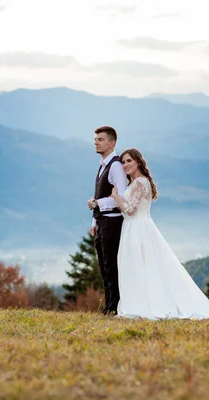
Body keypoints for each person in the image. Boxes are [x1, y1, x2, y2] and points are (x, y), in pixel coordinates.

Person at [110, 148, 209, 320]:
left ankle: (145, 306)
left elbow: (129, 210)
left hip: (139, 229)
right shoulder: (136, 183)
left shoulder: (139, 183)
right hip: (133, 228)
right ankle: (140, 304)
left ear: (138, 161)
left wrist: (116, 197)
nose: (125, 165)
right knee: (138, 266)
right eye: (123, 162)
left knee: (142, 266)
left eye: (129, 161)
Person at [87, 126, 128, 315]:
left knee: (111, 265)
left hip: (113, 223)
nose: (96, 142)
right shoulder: (103, 164)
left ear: (112, 143)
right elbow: (100, 193)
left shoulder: (116, 166)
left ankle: (115, 306)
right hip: (102, 222)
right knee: (104, 266)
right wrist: (95, 222)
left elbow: (121, 196)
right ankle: (109, 306)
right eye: (96, 139)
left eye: (101, 139)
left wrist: (97, 203)